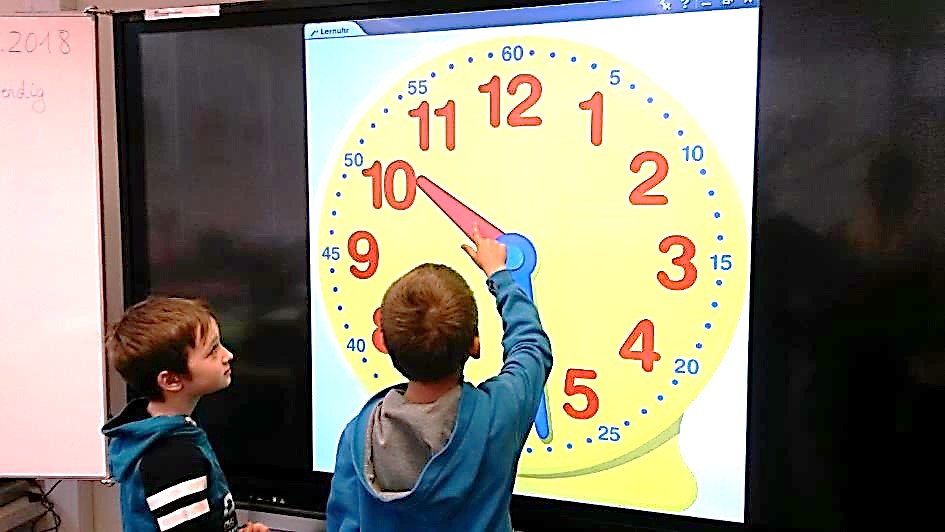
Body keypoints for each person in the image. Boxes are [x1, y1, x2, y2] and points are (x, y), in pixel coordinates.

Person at [327, 225, 554, 531]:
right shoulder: (498, 416)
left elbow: (343, 524)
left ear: (387, 347)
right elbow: (531, 348)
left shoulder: (358, 437)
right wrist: (499, 274)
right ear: (475, 346)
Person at [101, 296, 268, 532]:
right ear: (171, 380)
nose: (228, 355)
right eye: (213, 350)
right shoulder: (173, 459)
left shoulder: (165, 435)